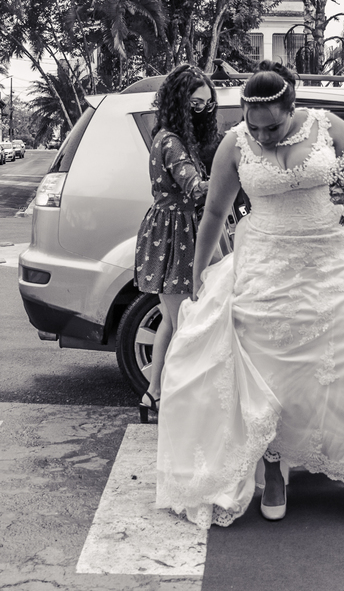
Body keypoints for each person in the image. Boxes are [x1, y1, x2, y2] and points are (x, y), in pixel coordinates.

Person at [155, 61, 344, 528]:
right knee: (270, 373)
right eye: (254, 126)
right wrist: (197, 271)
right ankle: (274, 472)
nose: (263, 137)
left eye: (272, 127)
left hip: (333, 261)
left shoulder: (329, 126)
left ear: (293, 109)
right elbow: (214, 213)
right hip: (266, 266)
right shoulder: (234, 144)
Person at [133, 64, 220, 422]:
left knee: (174, 320)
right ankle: (179, 401)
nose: (202, 111)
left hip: (179, 231)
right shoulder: (170, 141)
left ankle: (154, 395)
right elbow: (194, 187)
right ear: (178, 102)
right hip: (176, 233)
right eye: (195, 104)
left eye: (207, 105)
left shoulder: (176, 138)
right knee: (186, 322)